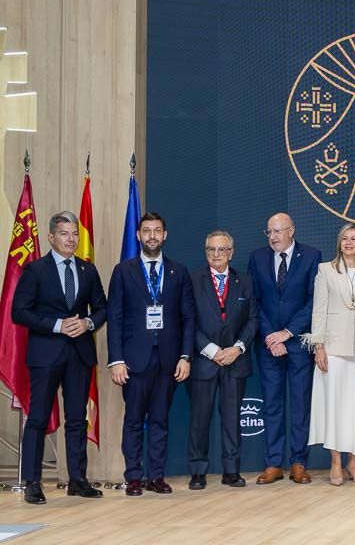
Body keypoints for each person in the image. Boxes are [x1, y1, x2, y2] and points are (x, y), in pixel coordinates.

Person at [11, 211, 107, 505]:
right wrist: (57, 325)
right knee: (38, 418)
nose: (71, 239)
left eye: (75, 234)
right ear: (51, 237)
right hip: (45, 354)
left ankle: (77, 480)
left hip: (79, 354)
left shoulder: (88, 270)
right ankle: (32, 482)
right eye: (64, 234)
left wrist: (88, 323)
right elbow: (19, 312)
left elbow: (102, 308)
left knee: (77, 419)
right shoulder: (35, 270)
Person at [107, 212, 195, 496]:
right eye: (147, 231)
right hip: (134, 360)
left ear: (165, 235)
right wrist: (116, 360)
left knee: (160, 419)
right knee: (133, 420)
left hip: (168, 359)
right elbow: (115, 318)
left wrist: (185, 356)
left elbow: (188, 318)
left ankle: (156, 475)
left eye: (157, 231)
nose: (152, 236)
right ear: (138, 235)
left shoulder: (178, 271)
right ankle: (133, 476)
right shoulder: (123, 271)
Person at [248, 212, 321, 485]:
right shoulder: (257, 258)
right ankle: (273, 463)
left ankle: (299, 462)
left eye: (278, 231)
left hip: (298, 343)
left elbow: (314, 301)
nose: (273, 237)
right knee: (272, 405)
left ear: (292, 230)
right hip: (268, 345)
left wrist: (287, 333)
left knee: (300, 405)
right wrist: (271, 336)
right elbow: (254, 301)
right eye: (269, 232)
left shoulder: (312, 256)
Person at [188, 230, 258, 489]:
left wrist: (237, 348)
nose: (215, 255)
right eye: (210, 250)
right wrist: (210, 350)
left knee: (231, 419)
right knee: (200, 418)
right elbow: (188, 321)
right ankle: (197, 471)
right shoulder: (193, 280)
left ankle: (231, 470)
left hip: (235, 361)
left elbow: (253, 319)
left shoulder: (245, 281)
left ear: (231, 252)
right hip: (204, 361)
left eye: (221, 250)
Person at [304, 224, 355, 486]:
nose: (348, 242)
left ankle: (354, 464)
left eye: (354, 238)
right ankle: (335, 462)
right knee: (334, 407)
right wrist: (319, 346)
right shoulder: (325, 270)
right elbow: (318, 311)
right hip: (333, 350)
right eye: (344, 238)